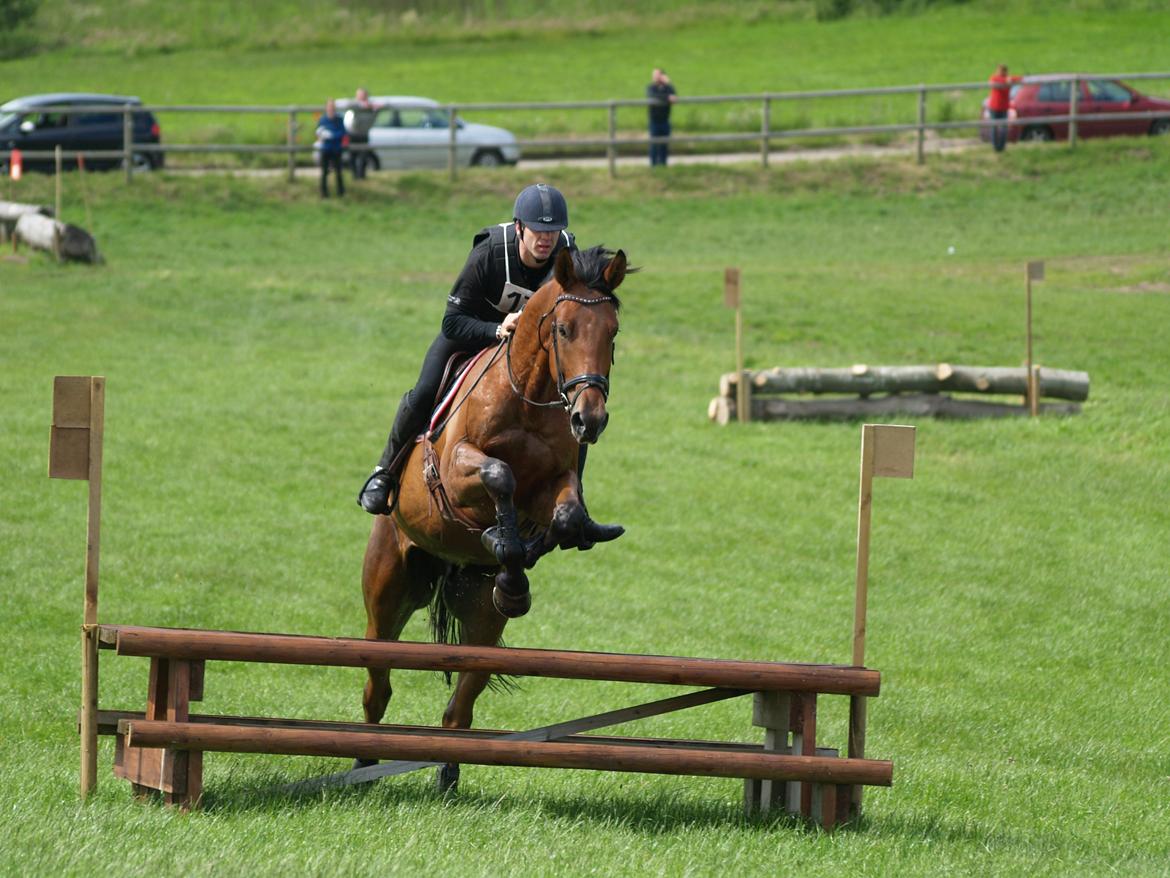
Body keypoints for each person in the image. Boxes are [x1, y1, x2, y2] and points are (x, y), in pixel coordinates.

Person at [358, 183, 623, 544]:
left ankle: (577, 506)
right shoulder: (490, 254)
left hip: (527, 350)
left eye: (552, 230)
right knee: (423, 392)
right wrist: (497, 328)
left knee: (575, 409)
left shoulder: (565, 257)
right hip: (472, 332)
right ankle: (384, 473)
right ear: (519, 228)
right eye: (537, 230)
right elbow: (452, 321)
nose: (545, 239)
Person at [646, 68, 678, 167]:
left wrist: (668, 83)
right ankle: (653, 166)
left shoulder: (667, 88)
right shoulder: (651, 87)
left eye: (657, 75)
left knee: (664, 144)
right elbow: (652, 95)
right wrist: (667, 98)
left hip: (665, 120)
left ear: (662, 76)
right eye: (654, 75)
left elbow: (674, 96)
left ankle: (663, 165)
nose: (655, 77)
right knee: (654, 145)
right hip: (654, 121)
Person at [316, 99, 347, 197]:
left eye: (332, 107)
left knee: (338, 172)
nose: (331, 109)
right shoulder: (323, 120)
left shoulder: (339, 119)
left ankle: (341, 193)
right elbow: (318, 131)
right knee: (324, 172)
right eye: (329, 107)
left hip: (336, 149)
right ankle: (324, 194)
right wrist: (321, 134)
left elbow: (343, 132)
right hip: (326, 149)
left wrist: (332, 135)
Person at [988, 64, 1021, 153]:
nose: (1001, 73)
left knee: (1004, 129)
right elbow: (993, 81)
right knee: (994, 128)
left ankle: (1001, 148)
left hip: (1004, 108)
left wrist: (1011, 79)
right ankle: (995, 147)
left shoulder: (1008, 79)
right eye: (1000, 71)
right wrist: (1007, 80)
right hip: (994, 107)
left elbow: (1018, 78)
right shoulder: (995, 78)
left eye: (1003, 71)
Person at [345, 88, 377, 179]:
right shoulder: (354, 105)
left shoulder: (370, 107)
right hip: (353, 134)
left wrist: (372, 107)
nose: (361, 97)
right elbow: (348, 106)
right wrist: (362, 105)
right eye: (359, 95)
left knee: (364, 156)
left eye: (363, 95)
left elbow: (377, 111)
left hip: (363, 134)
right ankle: (354, 176)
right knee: (352, 156)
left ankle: (361, 176)